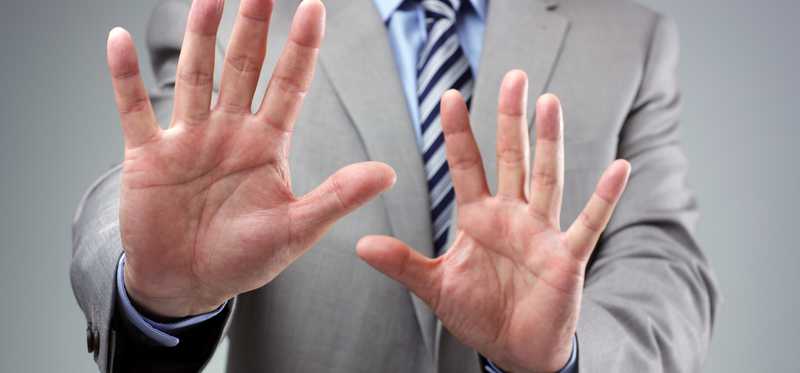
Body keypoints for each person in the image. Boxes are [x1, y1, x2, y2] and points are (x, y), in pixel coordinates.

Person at [70, 0, 718, 371]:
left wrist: (565, 357)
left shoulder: (630, 36)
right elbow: (144, 183)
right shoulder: (228, 12)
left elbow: (664, 264)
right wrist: (152, 287)